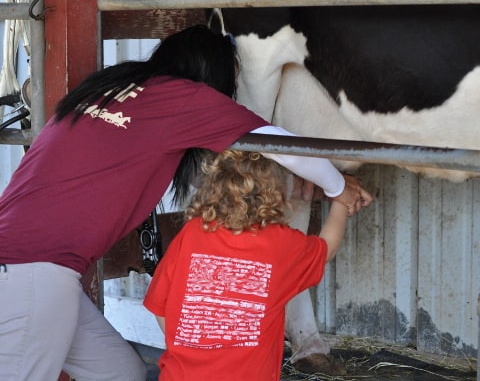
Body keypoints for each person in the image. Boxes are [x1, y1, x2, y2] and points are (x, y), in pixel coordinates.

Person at [0, 24, 372, 381]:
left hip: (33, 268)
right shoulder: (182, 98)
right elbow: (278, 144)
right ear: (213, 75)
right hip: (32, 271)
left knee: (119, 372)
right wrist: (340, 189)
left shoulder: (107, 91)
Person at [143, 149, 364, 381]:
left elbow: (160, 308)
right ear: (277, 194)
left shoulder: (192, 233)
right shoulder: (280, 244)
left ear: (213, 188)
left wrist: (197, 347)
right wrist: (342, 199)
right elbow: (326, 247)